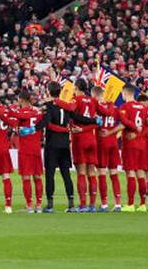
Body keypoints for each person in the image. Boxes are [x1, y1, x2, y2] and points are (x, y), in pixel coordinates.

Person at [43, 81, 94, 213]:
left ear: (48, 92)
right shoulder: (66, 106)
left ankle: (50, 205)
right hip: (65, 144)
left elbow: (47, 124)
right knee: (66, 174)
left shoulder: (48, 106)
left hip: (52, 144)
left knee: (50, 174)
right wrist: (94, 121)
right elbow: (79, 117)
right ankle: (71, 204)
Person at [69, 78, 100, 212]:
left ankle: (83, 205)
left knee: (81, 172)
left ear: (76, 88)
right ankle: (92, 205)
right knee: (91, 172)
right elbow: (97, 122)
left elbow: (70, 113)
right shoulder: (93, 101)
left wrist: (80, 129)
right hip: (91, 139)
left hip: (79, 139)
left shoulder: (75, 100)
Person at [118, 86, 148, 211]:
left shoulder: (125, 107)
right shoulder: (143, 107)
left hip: (130, 144)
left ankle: (130, 204)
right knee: (140, 173)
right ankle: (142, 205)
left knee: (130, 173)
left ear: (125, 93)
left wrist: (111, 133)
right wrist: (139, 134)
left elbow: (123, 124)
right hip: (142, 144)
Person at [12, 93, 44, 213]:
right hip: (36, 147)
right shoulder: (38, 112)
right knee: (37, 176)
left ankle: (29, 205)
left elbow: (16, 129)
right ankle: (39, 205)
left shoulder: (20, 113)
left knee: (26, 176)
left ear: (21, 100)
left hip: (25, 148)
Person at [94, 93, 123, 212]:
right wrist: (111, 133)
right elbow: (123, 124)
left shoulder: (97, 108)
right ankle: (118, 204)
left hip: (101, 143)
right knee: (114, 173)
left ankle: (104, 204)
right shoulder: (115, 108)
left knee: (102, 173)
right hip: (113, 143)